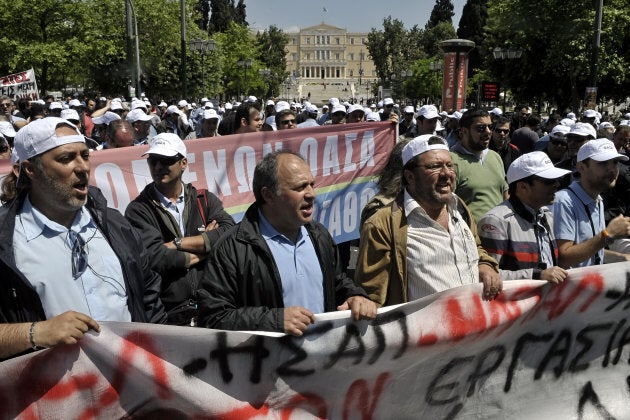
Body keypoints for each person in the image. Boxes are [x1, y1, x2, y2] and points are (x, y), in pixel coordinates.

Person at [0, 117, 167, 359]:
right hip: (53, 394)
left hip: (131, 386)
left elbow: (149, 300)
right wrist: (34, 333)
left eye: (85, 156)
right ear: (30, 170)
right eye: (66, 159)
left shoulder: (116, 226)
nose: (83, 168)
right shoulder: (6, 243)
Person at [197, 151, 376, 336]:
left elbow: (337, 281)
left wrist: (355, 295)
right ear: (268, 195)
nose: (311, 194)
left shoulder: (319, 235)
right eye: (300, 187)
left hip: (323, 360)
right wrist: (273, 321)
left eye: (312, 185)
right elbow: (213, 317)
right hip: (269, 362)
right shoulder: (233, 248)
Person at [355, 135, 501, 308]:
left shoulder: (459, 207)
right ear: (410, 177)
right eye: (435, 167)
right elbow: (371, 298)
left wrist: (485, 264)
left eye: (449, 165)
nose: (446, 174)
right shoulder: (382, 225)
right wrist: (362, 303)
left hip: (474, 330)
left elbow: (476, 247)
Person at [125, 133, 234, 325]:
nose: (158, 167)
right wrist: (206, 249)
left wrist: (177, 243)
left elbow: (228, 233)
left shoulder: (205, 200)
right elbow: (154, 256)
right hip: (168, 315)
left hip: (214, 307)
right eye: (153, 161)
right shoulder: (138, 209)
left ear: (183, 163)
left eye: (166, 160)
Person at [478, 152, 571, 282]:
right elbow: (487, 276)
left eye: (556, 180)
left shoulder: (546, 215)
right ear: (523, 187)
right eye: (548, 181)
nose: (556, 184)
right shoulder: (496, 222)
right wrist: (537, 275)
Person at [553, 138, 630, 268]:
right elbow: (563, 258)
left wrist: (621, 257)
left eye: (615, 162)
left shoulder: (598, 200)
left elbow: (590, 250)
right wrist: (607, 235)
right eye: (603, 163)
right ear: (581, 167)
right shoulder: (564, 202)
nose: (612, 169)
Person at [450, 109, 508, 222]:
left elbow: (505, 194)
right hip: (471, 236)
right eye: (481, 128)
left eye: (490, 127)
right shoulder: (451, 160)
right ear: (464, 131)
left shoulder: (495, 156)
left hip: (500, 234)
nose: (488, 132)